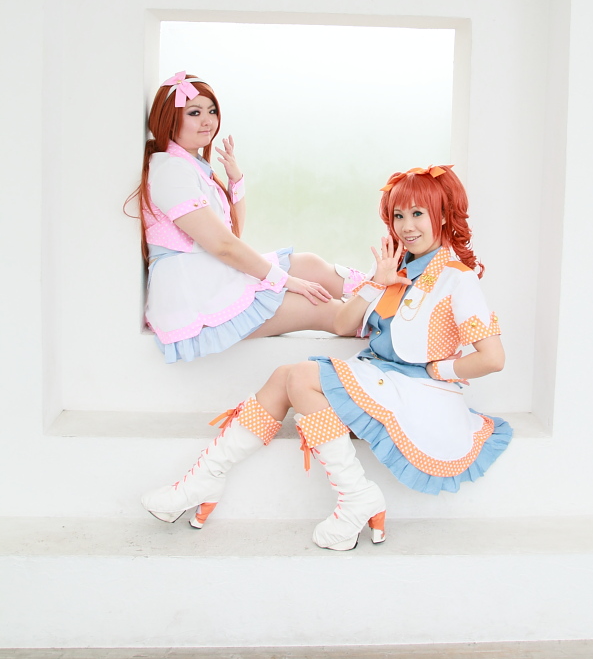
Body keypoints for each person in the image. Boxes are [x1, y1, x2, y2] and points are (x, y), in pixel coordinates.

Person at [142, 164, 512, 547]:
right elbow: (341, 323)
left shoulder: (456, 277)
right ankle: (206, 479)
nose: (406, 226)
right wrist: (376, 284)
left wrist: (439, 369)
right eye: (399, 215)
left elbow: (492, 358)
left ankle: (354, 495)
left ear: (444, 215)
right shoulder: (396, 266)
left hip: (418, 394)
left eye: (418, 214)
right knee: (284, 377)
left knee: (299, 376)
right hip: (383, 380)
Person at [130, 72, 366, 362]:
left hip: (211, 276)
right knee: (322, 309)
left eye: (212, 111)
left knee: (311, 265)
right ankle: (394, 321)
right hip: (194, 294)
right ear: (168, 119)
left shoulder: (189, 165)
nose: (208, 121)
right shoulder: (171, 170)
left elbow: (232, 235)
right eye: (194, 113)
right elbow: (224, 246)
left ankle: (387, 295)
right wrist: (285, 280)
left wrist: (235, 179)